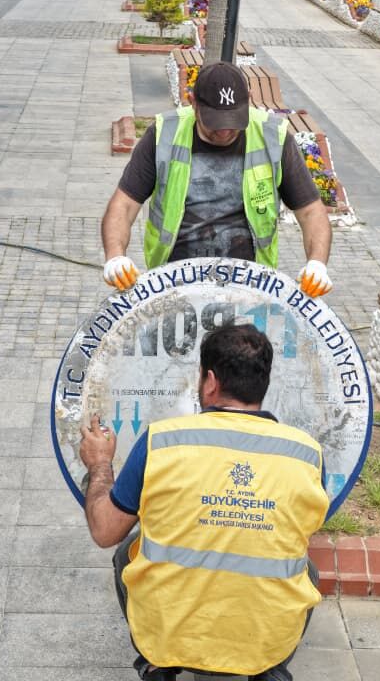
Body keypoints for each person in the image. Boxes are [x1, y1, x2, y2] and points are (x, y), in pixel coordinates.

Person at [80, 322, 328, 681]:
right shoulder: (307, 454)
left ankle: (156, 663)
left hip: (170, 635)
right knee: (308, 569)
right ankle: (268, 667)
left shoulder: (161, 442)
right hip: (266, 641)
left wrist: (100, 463)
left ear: (210, 382)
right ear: (263, 384)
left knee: (126, 552)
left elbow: (105, 530)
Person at [100, 61, 333, 298]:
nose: (224, 131)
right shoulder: (163, 135)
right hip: (173, 283)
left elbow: (311, 212)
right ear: (193, 103)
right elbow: (124, 205)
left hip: (251, 286)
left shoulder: (274, 137)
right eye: (214, 122)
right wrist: (115, 255)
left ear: (248, 99)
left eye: (233, 121)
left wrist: (316, 264)